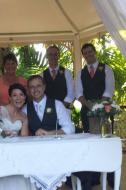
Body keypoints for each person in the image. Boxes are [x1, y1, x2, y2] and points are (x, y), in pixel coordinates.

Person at [0, 83, 36, 190]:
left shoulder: (24, 116)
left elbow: (24, 138)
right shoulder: (0, 110)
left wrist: (16, 136)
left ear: (25, 98)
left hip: (14, 153)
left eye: (21, 95)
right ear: (9, 98)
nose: (18, 98)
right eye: (14, 95)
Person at [75, 43, 115, 188]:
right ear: (83, 55)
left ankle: (110, 176)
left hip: (104, 111)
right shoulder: (81, 73)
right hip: (87, 112)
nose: (88, 54)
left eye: (90, 51)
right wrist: (88, 105)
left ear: (94, 51)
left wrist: (98, 106)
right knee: (90, 142)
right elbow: (78, 93)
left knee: (105, 143)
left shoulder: (106, 69)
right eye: (85, 53)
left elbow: (109, 90)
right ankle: (93, 177)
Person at [41, 45, 74, 110]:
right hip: (47, 109)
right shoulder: (41, 75)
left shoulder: (67, 73)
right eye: (50, 54)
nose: (53, 57)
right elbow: (40, 94)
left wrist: (61, 107)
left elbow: (71, 92)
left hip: (64, 109)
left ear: (59, 56)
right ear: (46, 56)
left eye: (55, 54)